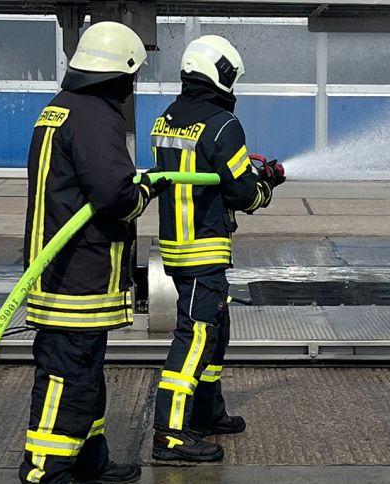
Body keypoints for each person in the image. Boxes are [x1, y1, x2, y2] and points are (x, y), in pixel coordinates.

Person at [20, 21, 169, 483]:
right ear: (121, 73)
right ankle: (44, 470)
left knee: (84, 372)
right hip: (78, 276)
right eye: (134, 74)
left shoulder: (61, 108)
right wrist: (146, 188)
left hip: (60, 269)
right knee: (68, 374)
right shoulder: (95, 116)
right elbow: (114, 196)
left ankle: (88, 458)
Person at [149, 35, 285, 462]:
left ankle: (208, 413)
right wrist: (267, 186)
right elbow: (243, 192)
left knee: (215, 332)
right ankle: (169, 435)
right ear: (220, 74)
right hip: (204, 248)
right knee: (196, 338)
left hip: (176, 245)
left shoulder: (167, 118)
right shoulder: (224, 125)